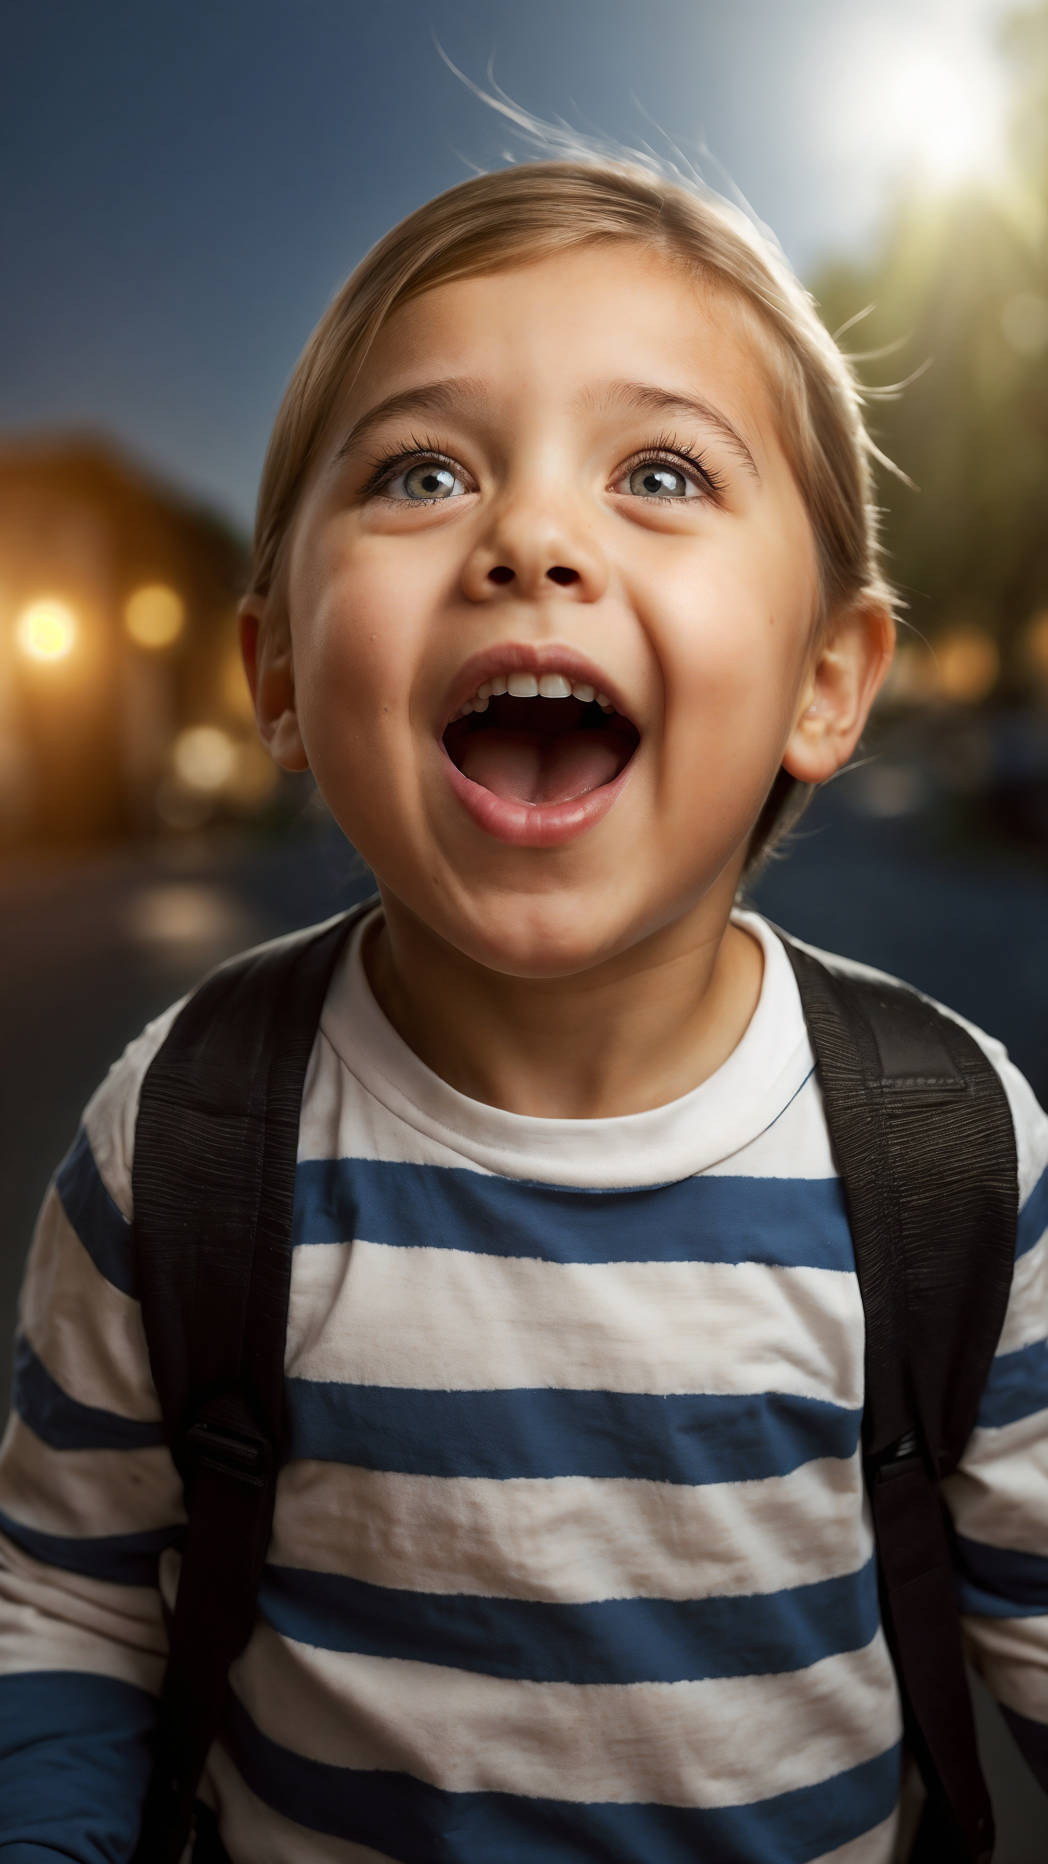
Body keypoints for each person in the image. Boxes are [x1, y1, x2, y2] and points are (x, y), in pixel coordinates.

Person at [1, 156, 1046, 1864]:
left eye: (660, 470)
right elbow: (71, 1608)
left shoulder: (954, 1160)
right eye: (422, 471)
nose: (533, 541)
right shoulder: (183, 1137)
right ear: (276, 676)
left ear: (825, 681)